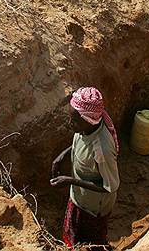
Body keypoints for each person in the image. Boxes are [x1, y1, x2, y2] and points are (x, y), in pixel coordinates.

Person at [51, 87, 120, 250]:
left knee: (89, 244)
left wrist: (71, 180)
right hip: (79, 198)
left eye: (74, 120)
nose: (69, 123)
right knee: (73, 234)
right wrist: (63, 155)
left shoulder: (102, 149)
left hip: (93, 209)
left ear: (88, 120)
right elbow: (81, 140)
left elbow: (109, 186)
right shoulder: (86, 128)